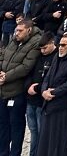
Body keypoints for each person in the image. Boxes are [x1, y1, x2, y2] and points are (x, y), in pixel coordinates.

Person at [0, 19, 41, 156]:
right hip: (3, 91)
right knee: (3, 126)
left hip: (17, 92)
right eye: (16, 30)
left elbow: (25, 67)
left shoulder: (35, 42)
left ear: (28, 30)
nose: (16, 33)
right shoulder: (14, 40)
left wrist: (6, 76)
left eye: (20, 31)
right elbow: (3, 56)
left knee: (16, 127)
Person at [36, 32, 67, 156]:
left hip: (61, 106)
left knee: (58, 143)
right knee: (45, 141)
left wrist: (53, 92)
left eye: (63, 45)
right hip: (48, 103)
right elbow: (47, 76)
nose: (60, 47)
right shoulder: (57, 55)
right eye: (59, 44)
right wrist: (44, 91)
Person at [24, 31, 56, 156]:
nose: (42, 51)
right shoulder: (38, 55)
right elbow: (29, 72)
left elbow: (51, 79)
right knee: (33, 132)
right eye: (41, 48)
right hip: (30, 100)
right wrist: (28, 87)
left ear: (52, 43)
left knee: (42, 133)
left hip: (41, 102)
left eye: (45, 48)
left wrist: (36, 88)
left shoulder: (56, 58)